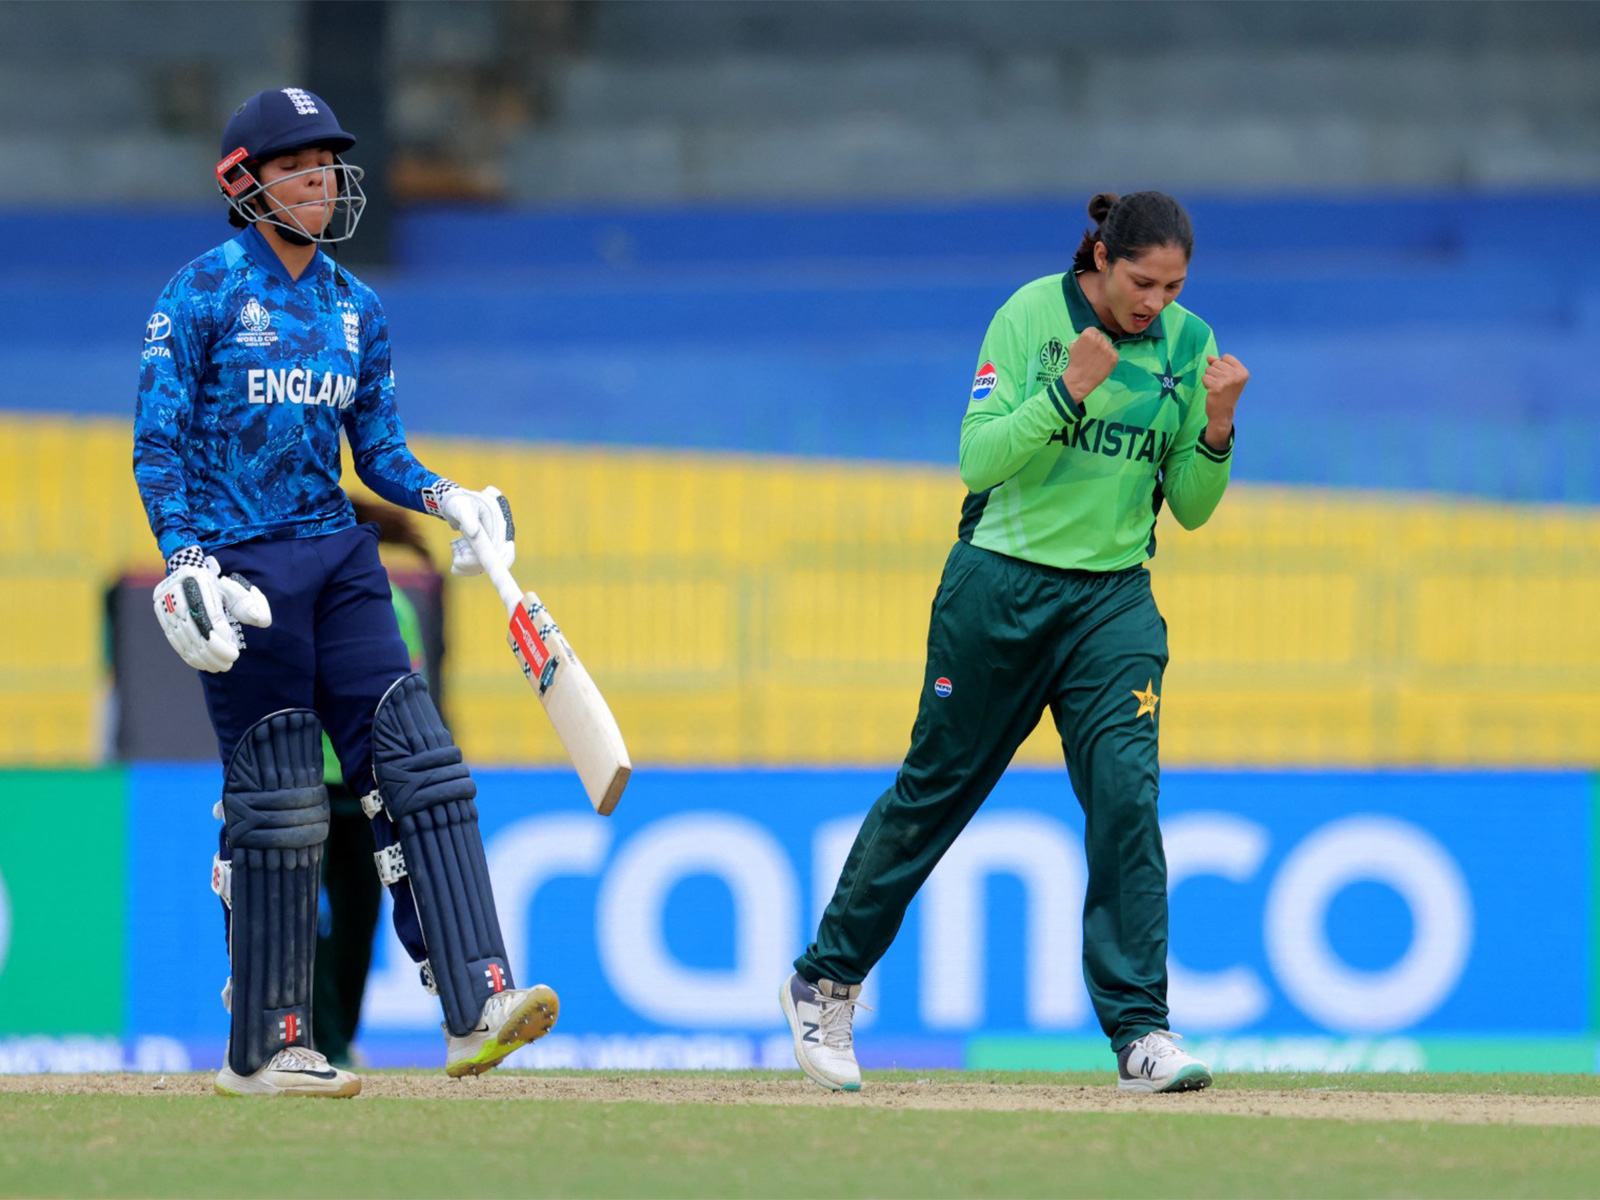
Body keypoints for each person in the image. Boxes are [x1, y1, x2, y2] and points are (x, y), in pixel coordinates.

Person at [135, 87, 558, 1098]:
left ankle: (477, 1002)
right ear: (246, 181)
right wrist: (185, 562)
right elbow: (159, 450)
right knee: (281, 799)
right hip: (241, 569)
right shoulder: (195, 296)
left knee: (418, 758)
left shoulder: (353, 306)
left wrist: (453, 498)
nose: (323, 179)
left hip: (339, 556)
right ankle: (272, 1045)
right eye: (300, 163)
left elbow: (377, 452)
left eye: (329, 162)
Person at [779, 191, 1249, 1095]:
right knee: (937, 792)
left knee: (1125, 796)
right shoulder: (1033, 315)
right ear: (1103, 261)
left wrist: (1219, 426)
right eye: (1142, 281)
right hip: (999, 586)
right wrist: (1067, 390)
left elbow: (1187, 506)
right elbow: (979, 459)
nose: (1155, 302)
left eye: (1173, 285)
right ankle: (825, 980)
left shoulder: (1190, 344)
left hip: (1112, 602)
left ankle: (1141, 1032)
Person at [312, 499, 438, 1069]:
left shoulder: (397, 610)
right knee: (301, 918)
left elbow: (404, 700)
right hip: (305, 784)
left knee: (360, 920)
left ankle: (339, 1039)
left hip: (366, 791)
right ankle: (316, 1036)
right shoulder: (300, 604)